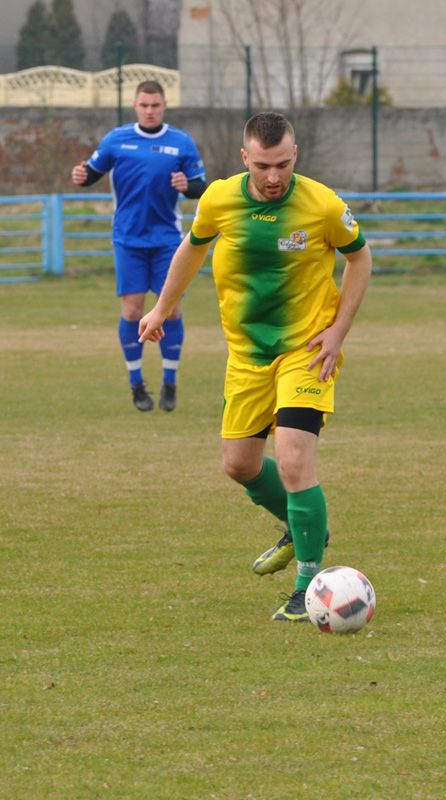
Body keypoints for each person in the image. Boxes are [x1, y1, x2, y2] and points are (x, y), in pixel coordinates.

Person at [139, 111, 372, 622]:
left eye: (283, 164)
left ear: (295, 156)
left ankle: (308, 586)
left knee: (292, 460)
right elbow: (192, 249)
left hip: (306, 351)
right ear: (245, 158)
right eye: (263, 165)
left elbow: (360, 258)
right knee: (240, 465)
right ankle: (304, 526)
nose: (273, 177)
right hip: (247, 354)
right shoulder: (218, 199)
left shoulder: (322, 205)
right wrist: (161, 308)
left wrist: (337, 332)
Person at [72, 79, 206, 412]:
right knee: (133, 311)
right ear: (135, 105)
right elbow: (91, 172)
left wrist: (187, 185)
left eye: (155, 105)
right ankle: (136, 384)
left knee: (171, 310)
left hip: (167, 241)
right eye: (144, 105)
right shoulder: (116, 139)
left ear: (164, 106)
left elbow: (201, 186)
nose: (149, 111)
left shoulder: (181, 142)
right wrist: (81, 176)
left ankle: (170, 381)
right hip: (128, 239)